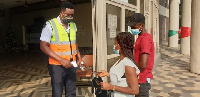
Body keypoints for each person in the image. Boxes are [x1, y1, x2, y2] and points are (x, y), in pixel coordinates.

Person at [40, 2, 83, 97]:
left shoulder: (73, 25)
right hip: (57, 66)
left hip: (71, 64)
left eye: (72, 15)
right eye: (68, 15)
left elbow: (74, 43)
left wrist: (79, 58)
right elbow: (43, 46)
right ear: (61, 13)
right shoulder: (50, 25)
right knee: (57, 93)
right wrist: (61, 60)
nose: (70, 17)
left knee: (71, 92)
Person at [98, 32, 140, 97]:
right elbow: (122, 79)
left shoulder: (128, 65)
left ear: (120, 45)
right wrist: (108, 74)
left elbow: (135, 90)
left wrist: (111, 87)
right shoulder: (121, 60)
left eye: (115, 43)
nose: (114, 46)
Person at [126, 13, 155, 97]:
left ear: (141, 25)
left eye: (133, 27)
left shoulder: (145, 39)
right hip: (138, 79)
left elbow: (143, 64)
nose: (131, 29)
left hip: (142, 80)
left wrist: (130, 70)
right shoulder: (140, 38)